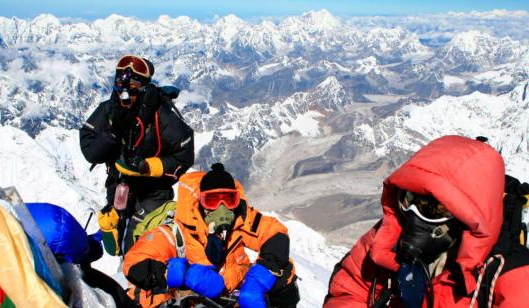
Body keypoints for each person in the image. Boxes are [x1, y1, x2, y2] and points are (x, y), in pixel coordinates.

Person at [324, 135, 529, 307]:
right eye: (408, 200)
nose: (414, 216)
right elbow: (349, 291)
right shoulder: (387, 240)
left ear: (467, 217)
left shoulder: (513, 277)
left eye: (434, 208)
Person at [123, 163, 300, 308]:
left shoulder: (240, 219)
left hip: (233, 294)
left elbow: (275, 233)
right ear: (200, 202)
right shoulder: (177, 232)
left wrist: (260, 279)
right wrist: (185, 274)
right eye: (213, 200)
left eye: (228, 200)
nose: (221, 208)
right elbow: (134, 263)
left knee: (285, 275)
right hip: (191, 300)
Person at [80, 55, 195, 255]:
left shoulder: (161, 114)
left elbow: (184, 155)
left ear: (144, 86)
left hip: (154, 193)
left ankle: (141, 277)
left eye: (133, 83)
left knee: (144, 247)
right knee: (118, 241)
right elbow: (91, 151)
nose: (125, 90)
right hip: (119, 188)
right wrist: (113, 133)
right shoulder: (109, 111)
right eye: (121, 82)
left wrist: (147, 167)